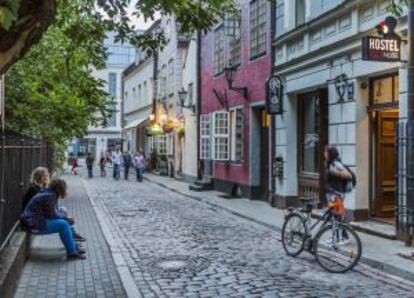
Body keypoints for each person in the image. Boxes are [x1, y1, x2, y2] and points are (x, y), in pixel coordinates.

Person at [21, 178, 86, 260]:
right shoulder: (50, 196)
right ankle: (72, 252)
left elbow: (52, 213)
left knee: (64, 219)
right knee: (64, 224)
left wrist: (65, 217)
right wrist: (66, 218)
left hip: (34, 221)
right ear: (60, 188)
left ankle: (74, 246)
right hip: (33, 225)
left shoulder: (49, 193)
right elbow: (52, 215)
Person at [22, 168, 86, 242]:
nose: (47, 177)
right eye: (44, 175)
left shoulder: (41, 188)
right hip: (33, 218)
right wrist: (65, 218)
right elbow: (39, 209)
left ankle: (72, 236)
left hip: (39, 215)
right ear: (38, 177)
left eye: (47, 175)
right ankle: (72, 236)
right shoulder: (34, 189)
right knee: (64, 222)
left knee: (63, 210)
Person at [324, 145, 352, 243]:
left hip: (336, 194)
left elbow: (348, 175)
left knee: (338, 215)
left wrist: (334, 172)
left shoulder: (335, 164)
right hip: (333, 194)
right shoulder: (331, 163)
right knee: (334, 216)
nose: (324, 154)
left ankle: (344, 237)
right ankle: (335, 237)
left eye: (326, 152)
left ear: (330, 153)